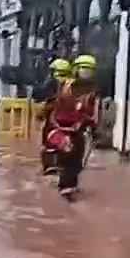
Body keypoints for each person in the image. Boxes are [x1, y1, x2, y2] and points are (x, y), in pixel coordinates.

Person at [46, 54, 98, 198]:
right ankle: (65, 187)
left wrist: (93, 127)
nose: (86, 73)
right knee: (67, 159)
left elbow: (92, 112)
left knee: (77, 161)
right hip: (63, 130)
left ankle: (71, 185)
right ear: (76, 69)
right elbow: (56, 108)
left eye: (89, 70)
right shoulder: (66, 87)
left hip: (79, 131)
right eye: (83, 69)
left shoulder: (92, 91)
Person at [37, 59, 72, 175]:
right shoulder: (73, 85)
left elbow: (45, 107)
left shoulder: (52, 84)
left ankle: (49, 167)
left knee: (48, 146)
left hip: (53, 124)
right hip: (68, 126)